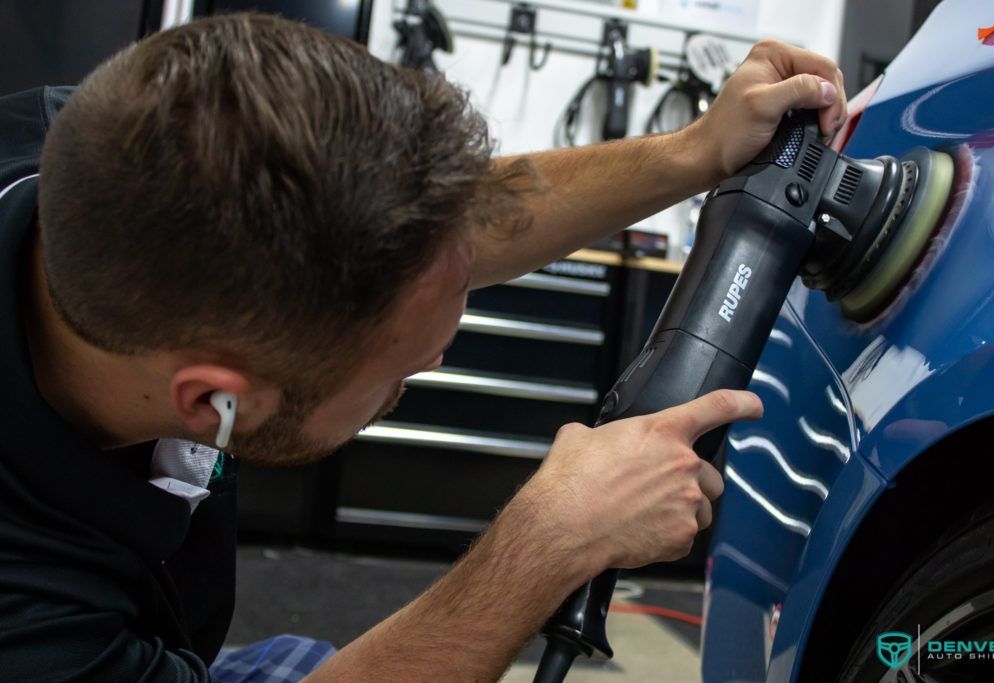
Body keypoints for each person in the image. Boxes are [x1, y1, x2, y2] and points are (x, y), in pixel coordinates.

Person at [0, 12, 846, 682]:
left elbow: (451, 223)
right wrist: (548, 542)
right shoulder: (28, 624)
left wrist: (696, 148)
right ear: (212, 403)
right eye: (399, 370)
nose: (435, 361)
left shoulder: (109, 147)